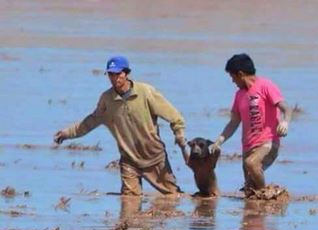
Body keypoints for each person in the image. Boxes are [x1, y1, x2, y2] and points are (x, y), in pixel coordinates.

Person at [54, 55, 186, 196]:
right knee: (129, 202)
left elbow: (174, 116)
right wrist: (67, 133)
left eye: (118, 74)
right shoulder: (107, 99)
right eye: (111, 74)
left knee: (173, 197)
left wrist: (179, 134)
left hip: (154, 158)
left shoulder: (145, 92)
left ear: (126, 73)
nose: (114, 78)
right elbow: (90, 122)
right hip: (129, 161)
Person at [210, 53, 292, 196]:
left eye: (232, 77)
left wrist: (285, 122)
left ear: (241, 74)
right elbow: (234, 122)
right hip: (247, 146)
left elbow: (286, 107)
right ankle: (265, 200)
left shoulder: (266, 85)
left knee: (252, 163)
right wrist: (219, 140)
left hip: (268, 143)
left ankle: (264, 195)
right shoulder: (239, 95)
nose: (232, 81)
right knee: (249, 190)